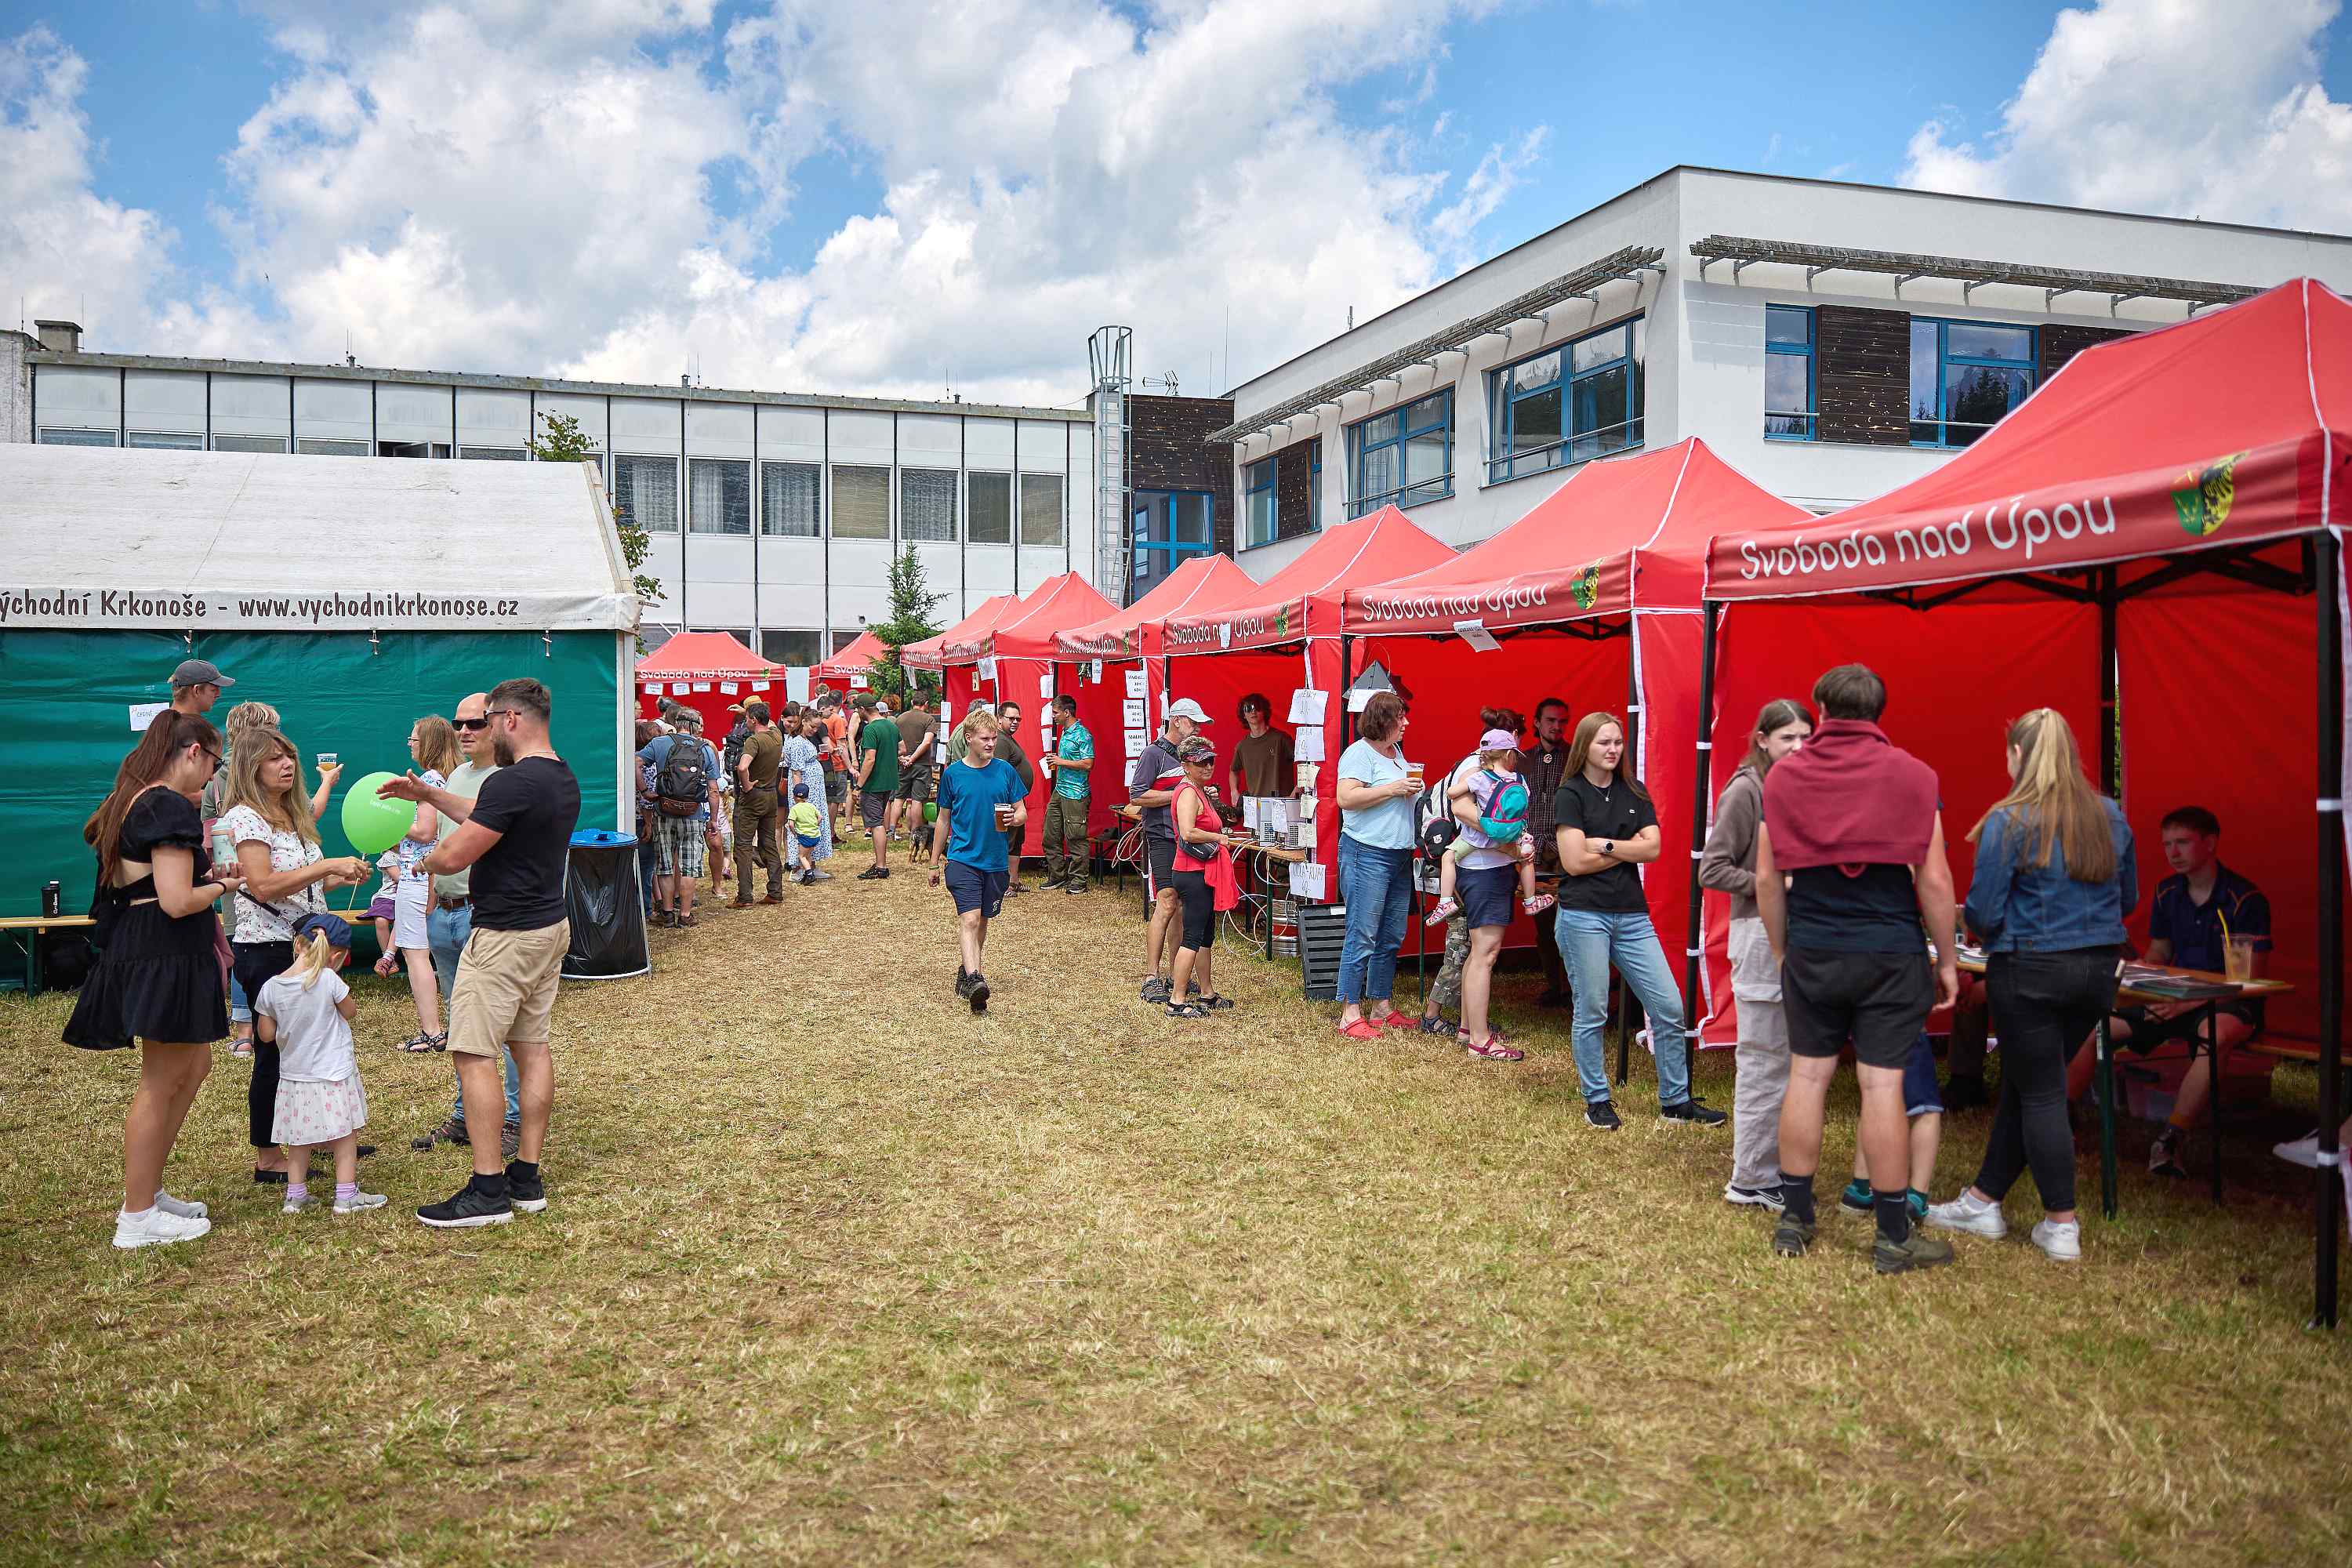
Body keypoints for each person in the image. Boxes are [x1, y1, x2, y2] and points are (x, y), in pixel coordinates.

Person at [1755, 664, 1956, 1275]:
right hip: (1890, 951)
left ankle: (1795, 1220)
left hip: (1814, 946)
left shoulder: (1785, 775)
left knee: (1808, 1077)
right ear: (1878, 711)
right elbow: (1934, 880)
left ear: (1820, 708)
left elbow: (1767, 878)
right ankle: (1893, 1237)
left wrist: (1783, 949)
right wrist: (1948, 960)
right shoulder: (1915, 775)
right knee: (1882, 1087)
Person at [1926, 710, 2137, 1261]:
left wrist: (1978, 926)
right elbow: (2129, 898)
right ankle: (1984, 1200)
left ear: (2018, 755)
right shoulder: (2110, 815)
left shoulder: (2010, 818)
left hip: (2030, 970)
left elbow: (1985, 911)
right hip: (2097, 970)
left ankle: (2061, 1222)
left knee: (2041, 1091)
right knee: (2031, 1081)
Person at [387, 677, 580, 1229]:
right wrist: (429, 795)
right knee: (531, 1047)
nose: (476, 730)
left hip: (503, 937)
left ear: (510, 720)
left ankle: (488, 1189)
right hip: (547, 927)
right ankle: (526, 1178)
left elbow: (454, 854)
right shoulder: (559, 775)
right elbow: (486, 809)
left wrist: (418, 862)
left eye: (486, 719)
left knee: (473, 1054)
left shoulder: (512, 782)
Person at [66, 713, 244, 1249]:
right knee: (160, 1081)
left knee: (194, 1064)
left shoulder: (131, 799)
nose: (213, 775)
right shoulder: (165, 805)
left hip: (152, 949)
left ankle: (148, 1191)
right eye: (215, 762)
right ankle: (137, 1215)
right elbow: (177, 900)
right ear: (193, 752)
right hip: (162, 951)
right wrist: (223, 887)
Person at [2075, 806, 2269, 1178]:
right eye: (2167, 844)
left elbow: (2252, 981)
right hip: (2172, 999)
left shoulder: (2245, 899)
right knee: (2095, 1029)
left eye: (2182, 842)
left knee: (2216, 1035)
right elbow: (2160, 952)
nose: (2173, 852)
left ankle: (2171, 1139)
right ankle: (2058, 1121)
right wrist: (2142, 972)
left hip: (2227, 1002)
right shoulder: (2167, 892)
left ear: (2210, 843)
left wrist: (2191, 1001)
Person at [1553, 713, 1726, 1128]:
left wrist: (1604, 845)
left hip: (1632, 916)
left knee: (1669, 1006)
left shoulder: (1634, 790)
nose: (1613, 749)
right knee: (1592, 1010)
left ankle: (1676, 1102)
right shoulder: (1570, 793)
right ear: (1585, 747)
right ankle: (1597, 1100)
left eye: (1618, 742)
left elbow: (1655, 849)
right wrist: (1627, 847)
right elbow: (1573, 863)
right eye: (1604, 742)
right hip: (1583, 915)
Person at [221, 730, 370, 1185]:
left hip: (304, 944)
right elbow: (263, 885)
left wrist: (339, 876)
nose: (287, 764)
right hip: (268, 948)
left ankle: (319, 1132)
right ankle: (268, 1155)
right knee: (274, 1051)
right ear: (251, 768)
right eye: (274, 759)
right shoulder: (245, 817)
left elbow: (301, 881)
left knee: (314, 1044)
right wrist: (327, 865)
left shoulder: (291, 813)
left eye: (289, 756)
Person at [1698, 698, 1814, 1210]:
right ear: (1763, 740)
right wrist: (1774, 884)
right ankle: (1751, 1178)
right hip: (1757, 933)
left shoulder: (1796, 785)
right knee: (1764, 1060)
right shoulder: (1746, 789)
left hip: (1794, 933)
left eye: (1806, 736)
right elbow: (1711, 869)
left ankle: (1774, 1168)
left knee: (1786, 1060)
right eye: (1788, 737)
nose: (1799, 746)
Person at [412, 692, 521, 1160]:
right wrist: (434, 898)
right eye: (459, 723)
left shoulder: (509, 779)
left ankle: (512, 1119)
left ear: (498, 724)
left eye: (474, 723)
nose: (464, 731)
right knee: (462, 1024)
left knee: (505, 1023)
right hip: (448, 912)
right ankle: (466, 1114)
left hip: (485, 914)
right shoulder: (457, 774)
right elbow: (441, 841)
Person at [256, 913, 386, 1216]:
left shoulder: (271, 987)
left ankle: (295, 1196)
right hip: (333, 1073)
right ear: (336, 957)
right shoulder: (328, 980)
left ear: (296, 945)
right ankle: (346, 1195)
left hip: (294, 1076)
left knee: (299, 1137)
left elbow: (266, 1035)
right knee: (344, 1134)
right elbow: (350, 1011)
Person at [930, 708, 1028, 1014]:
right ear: (968, 738)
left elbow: (1022, 811)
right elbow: (943, 820)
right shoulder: (953, 775)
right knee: (970, 919)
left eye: (994, 738)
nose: (991, 744)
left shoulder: (1005, 771)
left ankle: (967, 971)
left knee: (983, 920)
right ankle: (975, 979)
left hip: (995, 861)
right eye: (985, 738)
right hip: (962, 859)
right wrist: (934, 862)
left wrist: (1015, 818)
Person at [1334, 691, 1420, 1040]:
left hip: (1398, 854)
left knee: (1391, 934)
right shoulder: (1358, 754)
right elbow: (1346, 798)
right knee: (1363, 933)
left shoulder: (1396, 753)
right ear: (1383, 721)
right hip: (1366, 853)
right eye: (1400, 718)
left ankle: (1381, 1007)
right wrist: (1395, 789)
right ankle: (1349, 1012)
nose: (1406, 723)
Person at [383, 715, 459, 1051]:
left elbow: (425, 832)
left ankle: (432, 1032)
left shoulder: (428, 780)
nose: (409, 744)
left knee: (416, 955)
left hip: (417, 879)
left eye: (413, 739)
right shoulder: (452, 778)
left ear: (428, 744)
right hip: (435, 877)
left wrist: (390, 822)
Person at [1423, 731, 1552, 928]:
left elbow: (1451, 793)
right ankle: (1531, 900)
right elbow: (1524, 804)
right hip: (1511, 834)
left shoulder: (1480, 777)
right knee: (1526, 859)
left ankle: (1445, 902)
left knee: (1448, 857)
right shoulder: (1519, 779)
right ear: (1509, 755)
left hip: (1478, 837)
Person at [1131, 699, 1210, 1004]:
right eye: (1193, 722)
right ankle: (1151, 977)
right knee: (1166, 902)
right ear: (1176, 720)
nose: (1198, 727)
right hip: (1162, 837)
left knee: (1180, 905)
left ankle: (1178, 975)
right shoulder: (1153, 753)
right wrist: (1178, 794)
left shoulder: (1191, 755)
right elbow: (1137, 795)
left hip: (1186, 839)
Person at [1167, 735, 1244, 1018]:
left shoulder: (1200, 791)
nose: (1208, 766)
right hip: (1192, 872)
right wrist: (1219, 838)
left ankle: (1207, 993)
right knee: (1193, 936)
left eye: (1211, 761)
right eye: (1201, 762)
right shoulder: (1188, 792)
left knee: (1204, 936)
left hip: (1203, 871)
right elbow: (1188, 832)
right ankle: (1177, 1000)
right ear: (1186, 765)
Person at [1840, 1033, 1944, 1224]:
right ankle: (1916, 1198)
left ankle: (1859, 1190)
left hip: (1867, 1028)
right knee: (1927, 1109)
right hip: (1905, 1025)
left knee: (1874, 1100)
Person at [639, 712, 723, 926]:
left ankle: (667, 914)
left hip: (663, 812)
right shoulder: (705, 749)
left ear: (677, 724)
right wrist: (713, 819)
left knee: (665, 864)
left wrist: (644, 791)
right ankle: (685, 915)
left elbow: (634, 762)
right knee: (689, 866)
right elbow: (713, 790)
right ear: (695, 727)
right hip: (693, 814)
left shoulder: (659, 743)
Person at [731, 700, 786, 906]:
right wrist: (749, 710)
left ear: (753, 720)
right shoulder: (776, 736)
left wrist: (746, 786)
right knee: (769, 843)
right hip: (771, 795)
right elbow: (770, 722)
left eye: (747, 718)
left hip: (753, 797)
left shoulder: (753, 741)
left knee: (743, 847)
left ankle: (745, 896)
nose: (745, 721)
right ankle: (775, 891)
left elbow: (742, 767)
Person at [1040, 693, 1094, 893]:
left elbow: (1088, 764)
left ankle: (1079, 880)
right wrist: (1058, 760)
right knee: (1050, 835)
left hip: (1076, 794)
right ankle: (1058, 875)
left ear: (1066, 712)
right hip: (1060, 790)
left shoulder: (1083, 735)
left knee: (1075, 837)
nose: (1053, 716)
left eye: (1055, 713)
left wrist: (1060, 761)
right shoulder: (1065, 732)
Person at [853, 695, 901, 880]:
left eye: (857, 709)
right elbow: (902, 748)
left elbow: (870, 759)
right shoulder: (891, 725)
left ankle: (881, 867)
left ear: (862, 709)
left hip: (874, 783)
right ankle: (880, 864)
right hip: (889, 781)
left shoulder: (870, 729)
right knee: (878, 820)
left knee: (876, 824)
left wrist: (858, 786)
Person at [993, 699, 1036, 894]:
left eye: (1018, 719)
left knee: (1016, 841)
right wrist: (1006, 803)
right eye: (1011, 718)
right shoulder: (1001, 741)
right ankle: (1003, 884)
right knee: (1007, 841)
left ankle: (1013, 881)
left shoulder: (1008, 738)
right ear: (999, 718)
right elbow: (998, 773)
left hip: (1016, 801)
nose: (1015, 722)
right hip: (1007, 802)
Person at [786, 715, 834, 880]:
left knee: (812, 825)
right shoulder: (797, 742)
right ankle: (797, 868)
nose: (815, 730)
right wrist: (799, 798)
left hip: (814, 791)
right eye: (812, 726)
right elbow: (796, 772)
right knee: (803, 826)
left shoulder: (805, 740)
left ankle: (811, 864)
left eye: (817, 728)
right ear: (804, 722)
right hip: (805, 793)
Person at [1228, 693, 1296, 805]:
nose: (1253, 711)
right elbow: (1233, 771)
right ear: (1243, 714)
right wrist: (1234, 792)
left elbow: (1304, 763)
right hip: (1256, 806)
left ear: (1264, 711)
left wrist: (1297, 791)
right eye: (1248, 708)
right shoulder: (1242, 746)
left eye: (1257, 707)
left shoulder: (1281, 739)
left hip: (1282, 804)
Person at [892, 693, 938, 857]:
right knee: (917, 800)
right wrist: (913, 759)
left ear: (912, 702)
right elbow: (927, 742)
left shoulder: (900, 718)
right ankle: (916, 833)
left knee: (899, 799)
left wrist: (902, 759)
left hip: (902, 763)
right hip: (921, 764)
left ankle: (891, 831)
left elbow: (894, 741)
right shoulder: (929, 719)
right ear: (926, 703)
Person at [169, 657, 233, 717]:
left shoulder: (164, 721)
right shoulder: (190, 725)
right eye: (213, 690)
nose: (218, 694)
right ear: (197, 691)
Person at [788, 783, 826, 882]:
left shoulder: (794, 809)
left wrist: (794, 833)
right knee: (808, 855)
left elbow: (791, 824)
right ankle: (807, 873)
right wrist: (815, 825)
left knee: (802, 856)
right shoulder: (811, 806)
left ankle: (809, 874)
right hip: (815, 836)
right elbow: (820, 817)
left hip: (805, 837)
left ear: (794, 796)